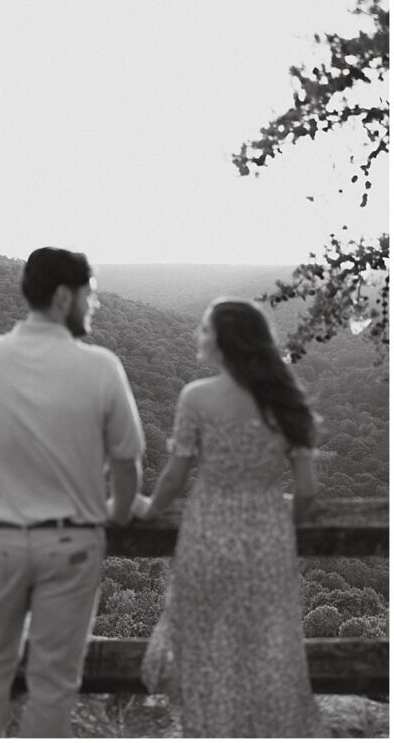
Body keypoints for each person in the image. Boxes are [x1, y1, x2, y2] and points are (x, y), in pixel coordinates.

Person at [0, 246, 145, 737]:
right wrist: (121, 510)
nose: (95, 306)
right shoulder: (102, 367)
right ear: (65, 296)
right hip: (72, 545)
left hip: (1, 542)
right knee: (54, 681)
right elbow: (128, 463)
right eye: (91, 296)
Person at [137, 298, 323, 737]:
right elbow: (308, 490)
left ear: (225, 342)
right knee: (265, 649)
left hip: (208, 534)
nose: (197, 336)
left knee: (204, 650)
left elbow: (174, 478)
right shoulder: (283, 399)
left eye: (204, 329)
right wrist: (279, 523)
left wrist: (149, 508)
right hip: (266, 539)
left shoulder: (196, 397)